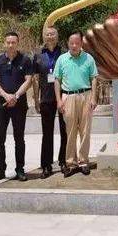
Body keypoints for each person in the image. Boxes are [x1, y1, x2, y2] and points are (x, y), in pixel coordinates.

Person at [0, 31, 33, 182]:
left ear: (17, 43)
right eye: (8, 42)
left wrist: (16, 96)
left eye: (13, 42)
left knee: (19, 138)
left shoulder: (25, 60)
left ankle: (20, 169)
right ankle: (0, 169)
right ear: (4, 43)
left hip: (19, 104)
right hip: (1, 104)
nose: (10, 45)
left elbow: (29, 80)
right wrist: (6, 95)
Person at [54, 31, 98, 177]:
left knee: (85, 130)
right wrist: (59, 100)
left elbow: (93, 78)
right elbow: (57, 80)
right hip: (69, 97)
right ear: (68, 43)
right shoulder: (62, 59)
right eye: (71, 43)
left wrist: (93, 97)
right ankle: (71, 162)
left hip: (85, 95)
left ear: (81, 43)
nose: (74, 45)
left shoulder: (88, 58)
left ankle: (84, 161)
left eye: (77, 43)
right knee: (70, 131)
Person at [32, 26, 67, 178]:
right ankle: (46, 165)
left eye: (53, 34)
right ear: (44, 37)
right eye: (47, 34)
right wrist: (36, 98)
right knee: (47, 133)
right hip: (46, 98)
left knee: (65, 131)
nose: (50, 36)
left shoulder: (65, 54)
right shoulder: (38, 55)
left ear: (57, 36)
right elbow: (34, 79)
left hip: (64, 98)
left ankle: (64, 160)